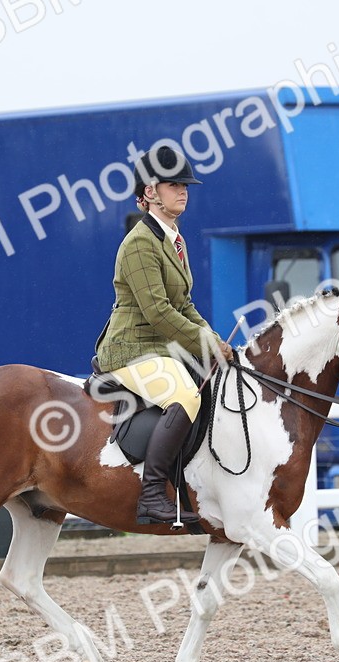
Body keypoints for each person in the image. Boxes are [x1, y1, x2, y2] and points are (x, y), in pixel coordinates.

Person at [94, 145, 234, 525]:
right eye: (174, 185)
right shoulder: (140, 243)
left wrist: (215, 339)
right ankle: (152, 494)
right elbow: (158, 312)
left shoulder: (174, 239)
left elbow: (184, 305)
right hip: (131, 349)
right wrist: (204, 343)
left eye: (185, 185)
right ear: (150, 192)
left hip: (161, 348)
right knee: (186, 395)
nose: (183, 191)